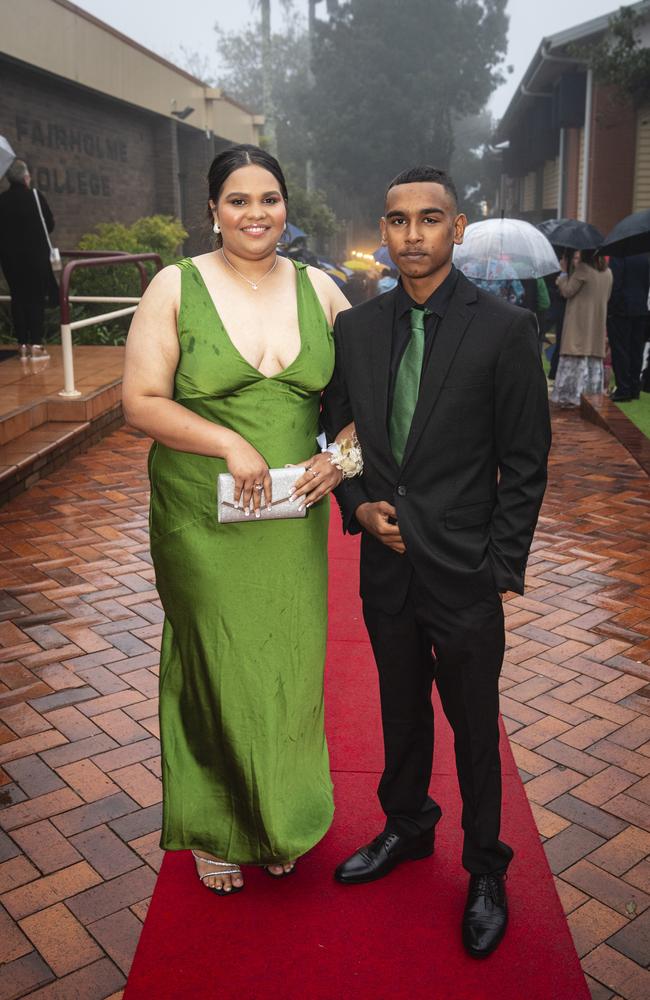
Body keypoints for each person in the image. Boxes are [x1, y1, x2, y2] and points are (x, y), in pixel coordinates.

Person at [311, 165, 550, 958]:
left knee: (474, 726)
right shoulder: (358, 330)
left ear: (458, 227)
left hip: (466, 570)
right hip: (386, 568)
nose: (412, 234)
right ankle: (408, 827)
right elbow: (336, 436)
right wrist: (355, 507)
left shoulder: (506, 330)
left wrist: (499, 566)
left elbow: (525, 460)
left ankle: (486, 867)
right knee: (400, 710)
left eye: (430, 219)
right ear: (383, 230)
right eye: (398, 220)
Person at [122, 144, 349, 895]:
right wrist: (226, 440)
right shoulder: (174, 286)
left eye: (270, 199)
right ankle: (219, 825)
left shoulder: (323, 290)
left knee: (286, 662)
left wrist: (341, 460)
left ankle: (274, 819)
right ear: (212, 210)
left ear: (288, 207)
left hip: (290, 518)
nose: (257, 214)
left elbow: (373, 402)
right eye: (239, 200)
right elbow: (140, 402)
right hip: (201, 513)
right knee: (216, 660)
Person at [0, 159, 56, 359]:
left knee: (18, 298)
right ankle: (36, 345)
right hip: (35, 258)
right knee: (35, 299)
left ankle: (22, 344)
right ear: (25, 177)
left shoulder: (2, 200)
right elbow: (49, 225)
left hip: (10, 261)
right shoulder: (34, 196)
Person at [551, 249, 612, 407]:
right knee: (592, 361)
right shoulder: (608, 274)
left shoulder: (583, 270)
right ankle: (591, 396)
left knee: (574, 359)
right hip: (597, 324)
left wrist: (564, 274)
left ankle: (570, 396)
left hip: (579, 322)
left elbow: (567, 291)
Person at [607, 254, 650, 402]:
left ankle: (623, 388)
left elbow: (615, 283)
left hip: (621, 310)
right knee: (636, 349)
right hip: (640, 308)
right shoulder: (646, 256)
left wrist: (612, 307)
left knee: (620, 349)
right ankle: (634, 387)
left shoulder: (619, 256)